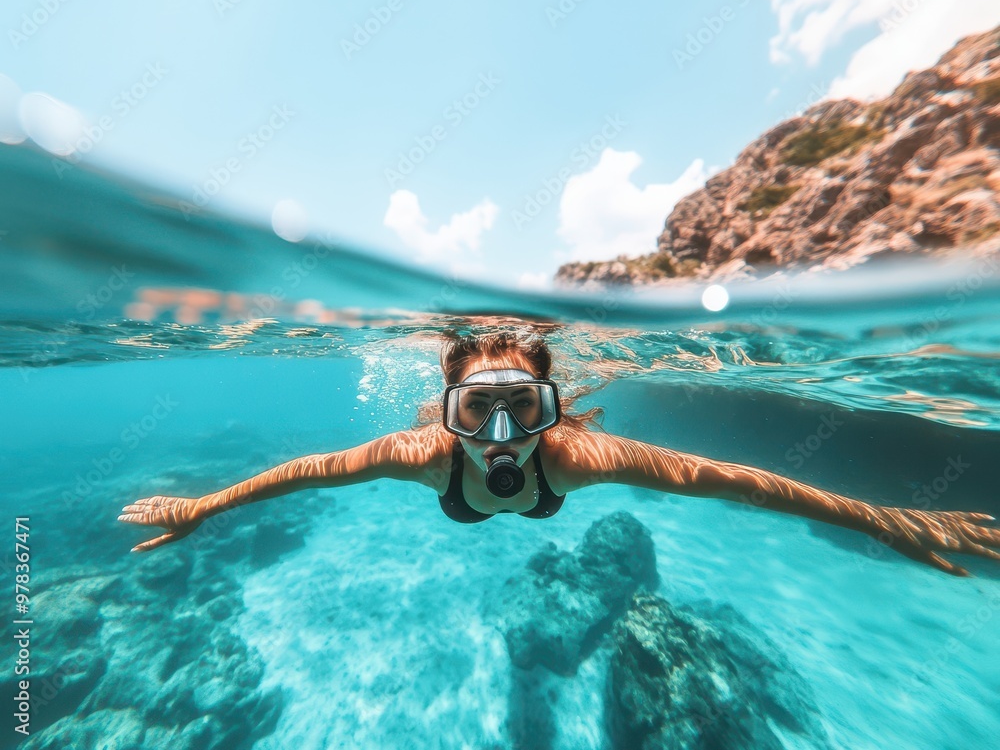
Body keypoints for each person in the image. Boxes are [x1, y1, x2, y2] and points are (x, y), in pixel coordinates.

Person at [118, 331, 1000, 576]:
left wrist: (886, 519)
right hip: (462, 509)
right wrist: (201, 506)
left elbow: (739, 483)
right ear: (447, 412)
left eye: (521, 408)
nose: (500, 435)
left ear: (553, 410)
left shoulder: (572, 459)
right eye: (477, 410)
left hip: (539, 504)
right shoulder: (426, 454)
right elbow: (301, 472)